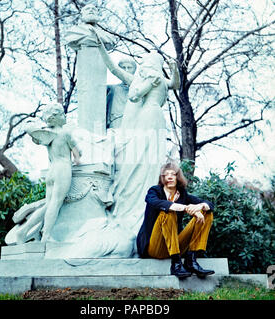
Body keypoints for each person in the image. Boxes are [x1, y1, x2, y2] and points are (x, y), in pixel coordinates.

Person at [92, 27, 181, 238]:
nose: (152, 64)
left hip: (157, 121)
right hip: (145, 120)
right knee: (138, 160)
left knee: (153, 163)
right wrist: (102, 48)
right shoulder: (143, 80)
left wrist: (174, 68)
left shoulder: (160, 80)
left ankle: (148, 199)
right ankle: (130, 202)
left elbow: (175, 84)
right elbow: (115, 70)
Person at [15, 103, 81, 243]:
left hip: (51, 171)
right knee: (55, 204)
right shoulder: (65, 133)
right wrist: (78, 157)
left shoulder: (48, 136)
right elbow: (77, 155)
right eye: (62, 114)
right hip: (63, 170)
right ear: (57, 117)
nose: (65, 116)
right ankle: (46, 236)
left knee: (48, 205)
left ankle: (23, 231)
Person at [136, 162, 215, 279]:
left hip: (176, 245)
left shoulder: (182, 194)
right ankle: (176, 264)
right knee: (168, 211)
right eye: (166, 174)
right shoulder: (155, 191)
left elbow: (209, 204)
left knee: (207, 212)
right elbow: (156, 202)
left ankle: (191, 260)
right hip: (155, 247)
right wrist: (186, 208)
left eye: (173, 174)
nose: (169, 177)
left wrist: (200, 207)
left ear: (178, 177)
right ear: (162, 178)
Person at [106, 58, 137, 129]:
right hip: (116, 123)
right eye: (123, 68)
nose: (126, 70)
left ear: (134, 70)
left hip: (134, 122)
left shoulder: (140, 88)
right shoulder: (113, 88)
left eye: (129, 68)